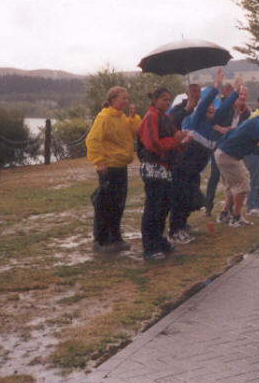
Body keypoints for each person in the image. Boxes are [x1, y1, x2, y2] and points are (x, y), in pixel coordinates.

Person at [85, 86, 141, 253]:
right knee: (105, 205)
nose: (126, 101)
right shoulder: (104, 117)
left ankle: (115, 237)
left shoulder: (121, 117)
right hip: (108, 167)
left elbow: (134, 133)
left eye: (126, 98)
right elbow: (93, 140)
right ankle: (101, 241)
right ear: (112, 100)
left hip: (121, 166)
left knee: (119, 204)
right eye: (122, 98)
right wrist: (99, 162)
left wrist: (132, 118)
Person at [180, 70, 241, 219]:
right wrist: (216, 85)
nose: (212, 109)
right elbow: (203, 105)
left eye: (213, 108)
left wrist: (236, 93)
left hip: (196, 169)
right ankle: (176, 228)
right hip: (186, 166)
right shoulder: (196, 119)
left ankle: (183, 225)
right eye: (209, 107)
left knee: (192, 200)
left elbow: (224, 108)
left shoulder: (210, 122)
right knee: (185, 198)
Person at [137, 88, 188, 260]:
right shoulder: (151, 117)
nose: (167, 102)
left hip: (166, 168)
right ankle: (150, 246)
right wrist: (176, 140)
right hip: (153, 167)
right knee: (154, 207)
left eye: (169, 99)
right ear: (155, 100)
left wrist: (182, 141)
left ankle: (159, 240)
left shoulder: (166, 118)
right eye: (164, 99)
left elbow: (174, 141)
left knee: (164, 207)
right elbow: (152, 143)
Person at [213, 98, 259, 227]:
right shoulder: (258, 123)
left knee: (231, 186)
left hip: (223, 153)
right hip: (227, 155)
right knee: (243, 183)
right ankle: (236, 218)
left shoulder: (253, 121)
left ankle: (224, 215)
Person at [167, 83, 207, 244]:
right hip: (182, 158)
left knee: (192, 193)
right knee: (180, 195)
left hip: (197, 159)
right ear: (186, 93)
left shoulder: (203, 109)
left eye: (198, 91)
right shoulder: (179, 108)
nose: (196, 94)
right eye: (193, 91)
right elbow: (173, 121)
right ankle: (175, 229)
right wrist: (187, 109)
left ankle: (183, 223)